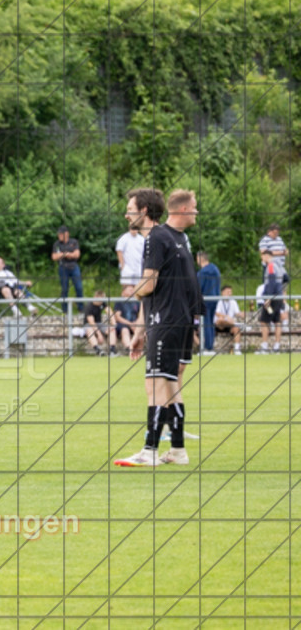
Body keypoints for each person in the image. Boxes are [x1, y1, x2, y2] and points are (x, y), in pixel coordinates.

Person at [117, 188, 202, 468]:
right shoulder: (177, 238)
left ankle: (149, 450)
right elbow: (162, 291)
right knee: (171, 384)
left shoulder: (154, 237)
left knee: (154, 384)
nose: (126, 213)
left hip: (166, 323)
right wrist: (140, 332)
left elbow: (149, 286)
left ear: (143, 211)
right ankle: (177, 451)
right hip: (176, 321)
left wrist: (132, 290)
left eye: (130, 208)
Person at [51, 225, 83, 312]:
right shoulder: (57, 244)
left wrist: (65, 254)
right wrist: (65, 254)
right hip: (63, 268)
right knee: (64, 289)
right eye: (59, 234)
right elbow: (54, 257)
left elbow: (77, 254)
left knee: (79, 287)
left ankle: (81, 307)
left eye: (61, 234)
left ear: (66, 234)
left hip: (74, 266)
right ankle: (65, 310)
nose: (59, 236)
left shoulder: (74, 242)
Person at [195, 251, 221, 355]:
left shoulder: (201, 273)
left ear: (200, 259)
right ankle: (210, 346)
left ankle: (207, 347)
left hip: (205, 299)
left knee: (206, 323)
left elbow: (198, 289)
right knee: (210, 323)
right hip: (215, 298)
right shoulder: (215, 269)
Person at [257, 262, 284, 354]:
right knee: (277, 321)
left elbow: (271, 280)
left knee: (264, 321)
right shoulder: (280, 266)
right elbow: (286, 279)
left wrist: (269, 297)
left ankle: (264, 347)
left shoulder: (271, 265)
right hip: (278, 297)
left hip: (272, 298)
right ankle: (277, 347)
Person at [83, 290, 117, 356]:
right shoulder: (89, 306)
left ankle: (112, 350)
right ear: (95, 297)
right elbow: (91, 322)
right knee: (90, 331)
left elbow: (109, 311)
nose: (101, 301)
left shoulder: (102, 303)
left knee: (112, 330)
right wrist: (99, 334)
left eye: (102, 299)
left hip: (99, 323)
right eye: (100, 299)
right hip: (89, 324)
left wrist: (114, 323)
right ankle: (98, 350)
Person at [214, 285, 243, 355]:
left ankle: (237, 349)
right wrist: (227, 317)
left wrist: (241, 314)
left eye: (230, 292)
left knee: (236, 329)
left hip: (229, 325)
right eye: (228, 292)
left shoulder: (233, 302)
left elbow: (237, 312)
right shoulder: (219, 301)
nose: (229, 294)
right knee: (221, 320)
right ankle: (231, 323)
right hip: (219, 325)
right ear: (222, 293)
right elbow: (217, 313)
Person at [113, 284, 140, 352]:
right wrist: (130, 324)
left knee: (143, 330)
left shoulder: (137, 302)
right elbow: (117, 317)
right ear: (124, 291)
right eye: (130, 290)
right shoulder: (119, 302)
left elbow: (140, 316)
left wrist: (136, 323)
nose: (132, 291)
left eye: (133, 290)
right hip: (123, 324)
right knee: (125, 330)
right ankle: (129, 348)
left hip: (135, 323)